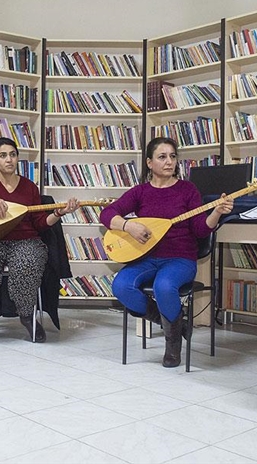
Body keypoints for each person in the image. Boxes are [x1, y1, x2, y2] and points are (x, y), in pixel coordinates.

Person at [100, 137, 233, 368]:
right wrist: (128, 225)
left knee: (164, 286)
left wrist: (217, 213)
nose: (169, 161)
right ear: (149, 163)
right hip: (147, 258)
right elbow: (107, 214)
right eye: (162, 157)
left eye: (173, 156)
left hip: (180, 258)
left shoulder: (187, 190)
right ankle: (174, 322)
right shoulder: (140, 192)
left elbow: (201, 230)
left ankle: (172, 346)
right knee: (121, 286)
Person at [0, 137, 79, 343]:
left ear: (17, 158)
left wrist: (58, 213)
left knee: (27, 263)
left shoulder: (29, 187)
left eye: (12, 154)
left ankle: (27, 316)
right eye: (3, 155)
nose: (9, 159)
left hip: (25, 241)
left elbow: (39, 223)